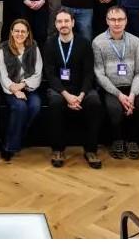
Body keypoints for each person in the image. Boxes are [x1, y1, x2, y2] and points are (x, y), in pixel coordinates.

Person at [43, 9, 103, 169]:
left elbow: (89, 73)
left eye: (66, 21)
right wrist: (66, 95)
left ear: (73, 23)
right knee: (55, 103)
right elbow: (50, 75)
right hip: (59, 89)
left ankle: (91, 150)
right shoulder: (50, 44)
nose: (63, 24)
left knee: (94, 102)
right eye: (60, 21)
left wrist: (81, 95)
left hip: (81, 88)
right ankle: (58, 150)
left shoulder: (84, 43)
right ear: (55, 24)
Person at [92, 6, 139, 160]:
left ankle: (132, 140)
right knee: (115, 109)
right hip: (111, 89)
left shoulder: (135, 41)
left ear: (126, 21)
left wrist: (132, 95)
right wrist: (119, 95)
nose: (117, 23)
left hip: (132, 87)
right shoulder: (98, 42)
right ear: (107, 21)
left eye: (120, 19)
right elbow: (99, 74)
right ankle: (117, 140)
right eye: (113, 19)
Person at [0, 19, 43, 161]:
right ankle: (9, 146)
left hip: (29, 86)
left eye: (23, 31)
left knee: (35, 106)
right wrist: (15, 89)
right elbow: (3, 74)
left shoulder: (34, 47)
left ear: (28, 33)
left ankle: (17, 136)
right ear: (11, 32)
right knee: (20, 107)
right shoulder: (3, 48)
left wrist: (22, 85)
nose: (20, 34)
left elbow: (38, 73)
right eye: (16, 31)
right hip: (11, 88)